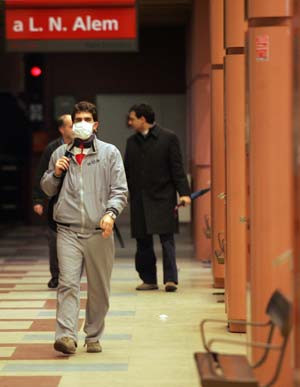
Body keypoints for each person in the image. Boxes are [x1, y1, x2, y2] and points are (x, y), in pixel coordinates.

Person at [40, 101, 128, 354]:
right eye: (78, 119)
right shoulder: (59, 154)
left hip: (99, 231)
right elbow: (46, 189)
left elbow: (120, 190)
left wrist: (111, 213)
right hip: (67, 230)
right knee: (67, 283)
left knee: (99, 288)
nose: (82, 124)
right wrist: (55, 173)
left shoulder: (109, 153)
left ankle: (93, 334)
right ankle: (66, 336)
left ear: (95, 124)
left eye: (87, 119)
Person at [124, 103, 191, 293]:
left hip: (163, 197)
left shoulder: (168, 138)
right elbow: (127, 171)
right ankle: (148, 279)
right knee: (142, 241)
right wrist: (122, 194)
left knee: (167, 240)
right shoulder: (132, 142)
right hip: (140, 199)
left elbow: (177, 168)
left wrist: (184, 193)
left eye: (132, 118)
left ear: (143, 119)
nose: (130, 122)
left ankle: (171, 279)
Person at [32, 114, 73, 289]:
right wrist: (37, 199)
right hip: (55, 200)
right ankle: (56, 275)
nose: (74, 128)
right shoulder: (52, 149)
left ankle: (70, 276)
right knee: (54, 240)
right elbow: (41, 174)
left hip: (75, 202)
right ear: (62, 129)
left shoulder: (83, 147)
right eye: (71, 125)